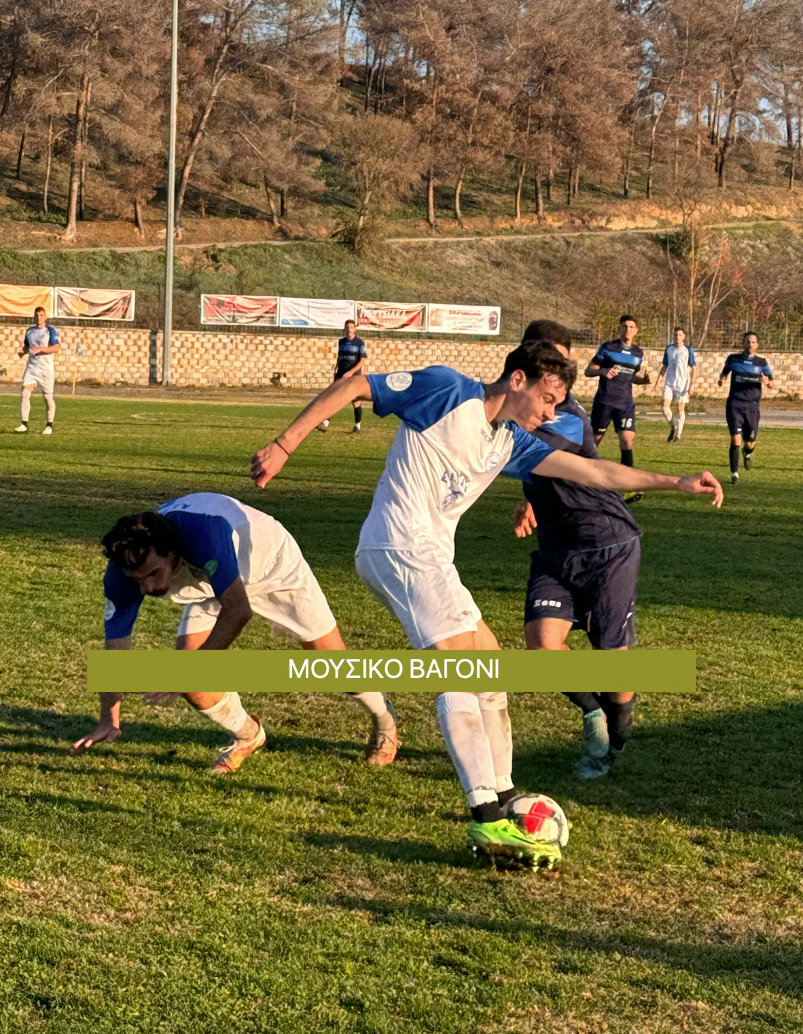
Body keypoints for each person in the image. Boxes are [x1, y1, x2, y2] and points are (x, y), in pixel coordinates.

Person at [252, 342, 722, 868]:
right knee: (461, 670)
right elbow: (358, 385)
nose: (551, 413)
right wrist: (285, 444)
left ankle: (502, 795)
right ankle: (485, 815)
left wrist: (675, 482)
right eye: (547, 399)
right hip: (398, 547)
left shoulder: (509, 442)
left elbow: (595, 473)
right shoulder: (448, 390)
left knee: (489, 669)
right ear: (517, 379)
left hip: (431, 559)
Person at [70, 493, 398, 770]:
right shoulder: (123, 574)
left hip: (273, 568)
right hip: (213, 586)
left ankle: (384, 719)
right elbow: (116, 651)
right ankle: (248, 734)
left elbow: (239, 611)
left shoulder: (204, 536)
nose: (150, 587)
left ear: (172, 553)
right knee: (193, 683)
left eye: (154, 573)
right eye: (139, 579)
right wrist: (108, 719)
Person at [516, 320, 640, 779]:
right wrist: (528, 498)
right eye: (549, 360)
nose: (558, 372)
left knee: (611, 656)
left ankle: (618, 725)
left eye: (564, 362)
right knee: (543, 646)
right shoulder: (523, 409)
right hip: (555, 549)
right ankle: (593, 716)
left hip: (606, 543)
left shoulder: (567, 415)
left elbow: (538, 452)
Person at [585, 314, 651, 468]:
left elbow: (633, 377)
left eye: (631, 327)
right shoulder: (608, 348)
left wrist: (644, 380)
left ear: (636, 330)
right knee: (594, 441)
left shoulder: (638, 353)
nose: (627, 329)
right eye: (624, 326)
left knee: (627, 439)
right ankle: (581, 476)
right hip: (604, 401)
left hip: (625, 404)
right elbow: (588, 371)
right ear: (619, 329)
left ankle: (627, 480)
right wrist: (602, 372)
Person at [718, 332, 775, 485]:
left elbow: (772, 384)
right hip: (735, 404)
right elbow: (723, 374)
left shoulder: (761, 363)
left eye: (753, 342)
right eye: (748, 342)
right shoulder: (733, 359)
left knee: (750, 441)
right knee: (736, 439)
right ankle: (734, 474)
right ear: (743, 344)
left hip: (752, 406)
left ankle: (747, 453)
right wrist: (721, 380)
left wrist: (766, 381)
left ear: (757, 345)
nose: (750, 345)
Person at [15, 305, 60, 435]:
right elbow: (27, 347)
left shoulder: (50, 331)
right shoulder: (30, 332)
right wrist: (22, 352)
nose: (39, 317)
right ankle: (24, 424)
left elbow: (56, 348)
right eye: (37, 315)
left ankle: (49, 425)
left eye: (41, 315)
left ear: (45, 317)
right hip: (32, 368)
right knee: (25, 393)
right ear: (34, 316)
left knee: (47, 397)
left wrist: (41, 349)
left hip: (46, 370)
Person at [653, 327, 697, 443]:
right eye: (676, 335)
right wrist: (658, 382)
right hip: (669, 382)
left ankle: (678, 435)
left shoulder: (688, 350)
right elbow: (664, 366)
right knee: (664, 406)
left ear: (684, 337)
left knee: (679, 409)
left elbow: (694, 369)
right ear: (673, 336)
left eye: (680, 335)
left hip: (682, 383)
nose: (677, 337)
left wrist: (692, 384)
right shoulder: (669, 349)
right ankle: (673, 426)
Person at [331, 319, 367, 435]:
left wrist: (351, 372)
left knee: (355, 400)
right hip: (341, 374)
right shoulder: (341, 342)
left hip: (353, 375)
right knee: (333, 396)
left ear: (355, 329)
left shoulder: (360, 343)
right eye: (347, 328)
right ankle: (325, 422)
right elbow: (340, 357)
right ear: (344, 329)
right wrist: (336, 367)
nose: (349, 330)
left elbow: (362, 361)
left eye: (351, 327)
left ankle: (357, 425)